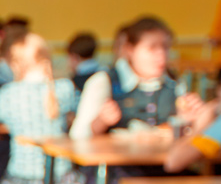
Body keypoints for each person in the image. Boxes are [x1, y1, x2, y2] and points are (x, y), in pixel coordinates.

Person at [72, 16, 202, 139]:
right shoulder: (104, 81)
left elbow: (190, 137)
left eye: (165, 47)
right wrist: (101, 122)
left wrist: (188, 119)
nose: (161, 54)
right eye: (152, 48)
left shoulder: (173, 83)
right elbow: (78, 137)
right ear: (130, 50)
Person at [0, 33, 85, 184]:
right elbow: (84, 113)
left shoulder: (9, 93)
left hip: (21, 177)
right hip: (61, 178)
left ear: (15, 65)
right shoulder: (65, 88)